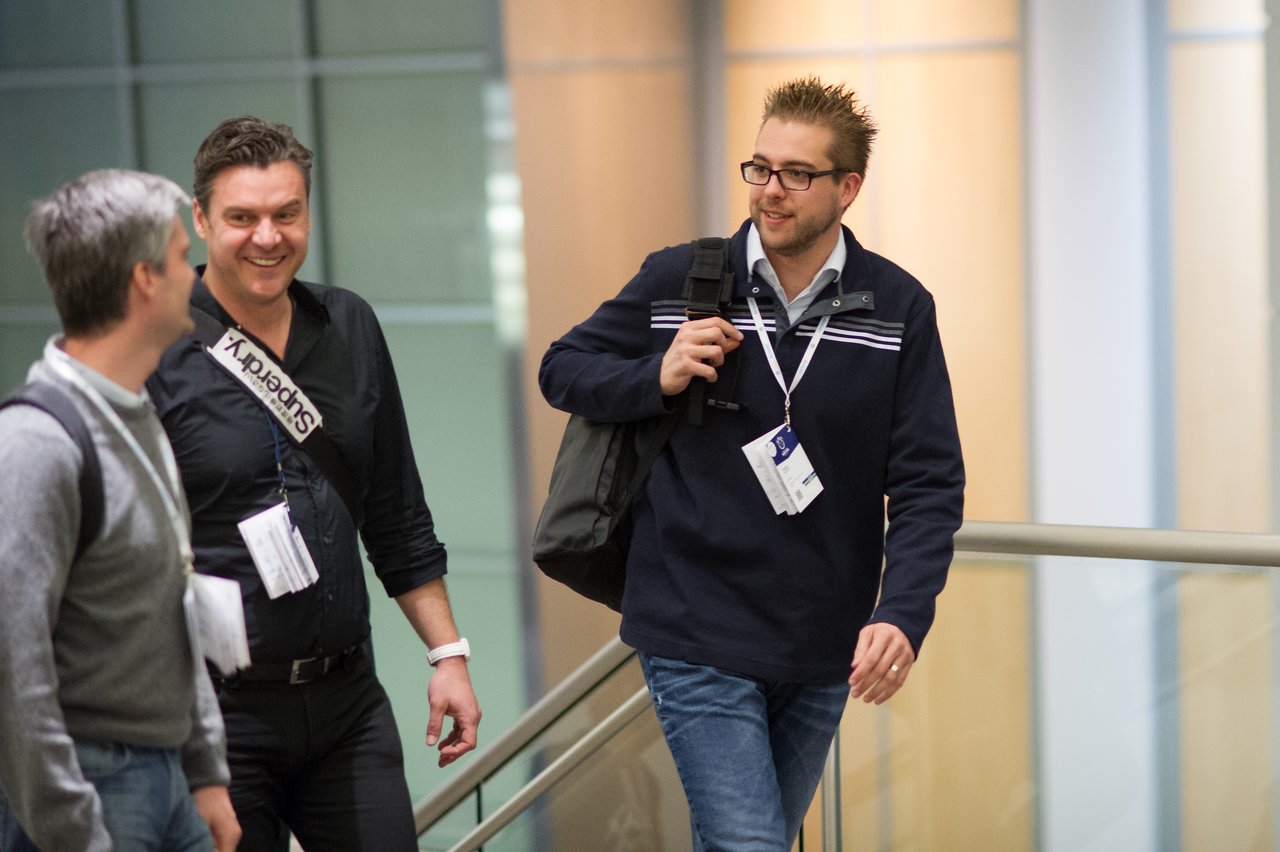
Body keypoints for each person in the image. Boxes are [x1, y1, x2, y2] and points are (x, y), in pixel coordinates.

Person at [539, 76, 965, 850]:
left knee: (748, 840)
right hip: (693, 621)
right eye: (760, 168)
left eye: (797, 175)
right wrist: (655, 375)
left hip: (822, 637)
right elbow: (561, 368)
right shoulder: (682, 280)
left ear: (848, 188)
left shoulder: (898, 308)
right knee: (751, 845)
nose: (771, 191)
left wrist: (902, 613)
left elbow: (930, 483)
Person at [145, 116, 481, 851]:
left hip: (346, 702)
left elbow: (396, 511)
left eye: (286, 214)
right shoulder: (157, 351)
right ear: (200, 221)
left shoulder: (349, 324)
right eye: (242, 218)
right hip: (221, 717)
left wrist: (447, 656)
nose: (268, 236)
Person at [0, 170, 240, 850]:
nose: (190, 275)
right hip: (91, 788)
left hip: (169, 784)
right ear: (143, 281)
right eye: (175, 255)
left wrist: (205, 772)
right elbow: (13, 666)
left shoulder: (137, 415)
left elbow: (172, 607)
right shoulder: (35, 443)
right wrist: (72, 826)